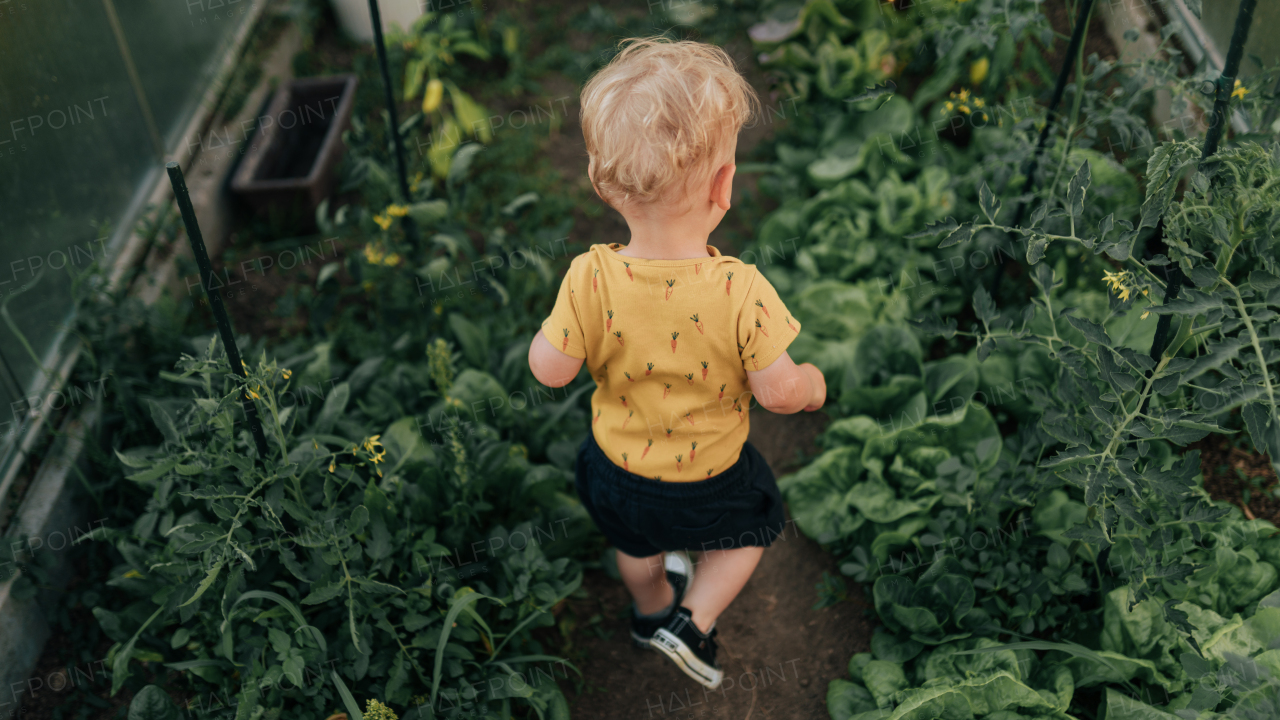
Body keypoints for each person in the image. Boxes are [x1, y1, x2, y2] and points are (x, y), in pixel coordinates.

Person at [527, 37, 826, 690]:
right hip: (710, 478)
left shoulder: (589, 277)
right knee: (750, 534)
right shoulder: (740, 291)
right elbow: (777, 391)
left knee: (637, 549)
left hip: (616, 469)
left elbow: (550, 370)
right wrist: (810, 387)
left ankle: (651, 609)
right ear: (725, 186)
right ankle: (693, 621)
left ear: (603, 183)